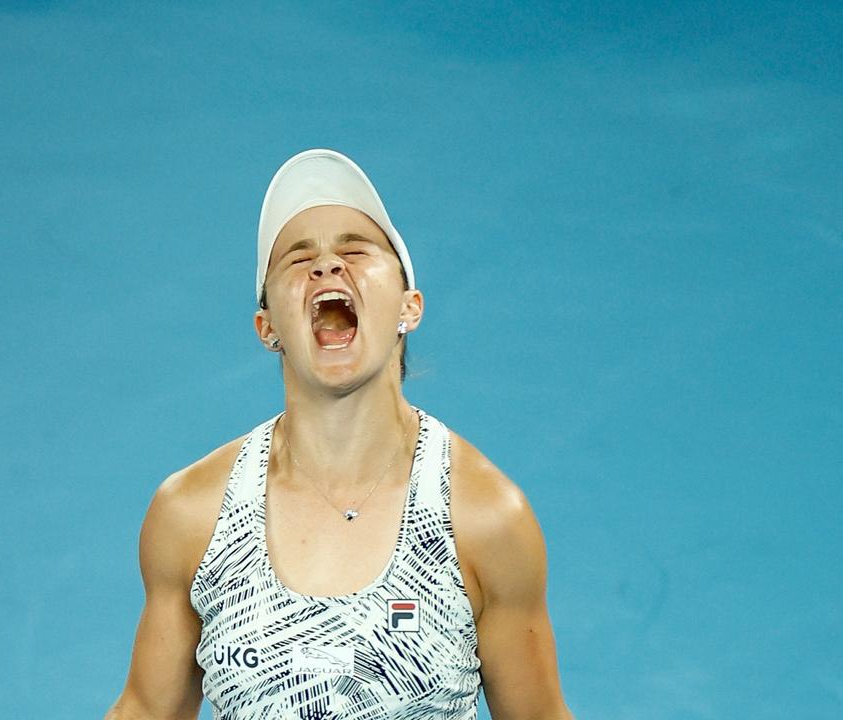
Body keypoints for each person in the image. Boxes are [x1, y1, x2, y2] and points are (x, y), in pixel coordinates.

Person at [104, 149, 573, 719]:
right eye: (299, 259)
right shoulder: (192, 516)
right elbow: (146, 711)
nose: (328, 267)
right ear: (267, 326)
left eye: (354, 249)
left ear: (409, 307)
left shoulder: (484, 519)